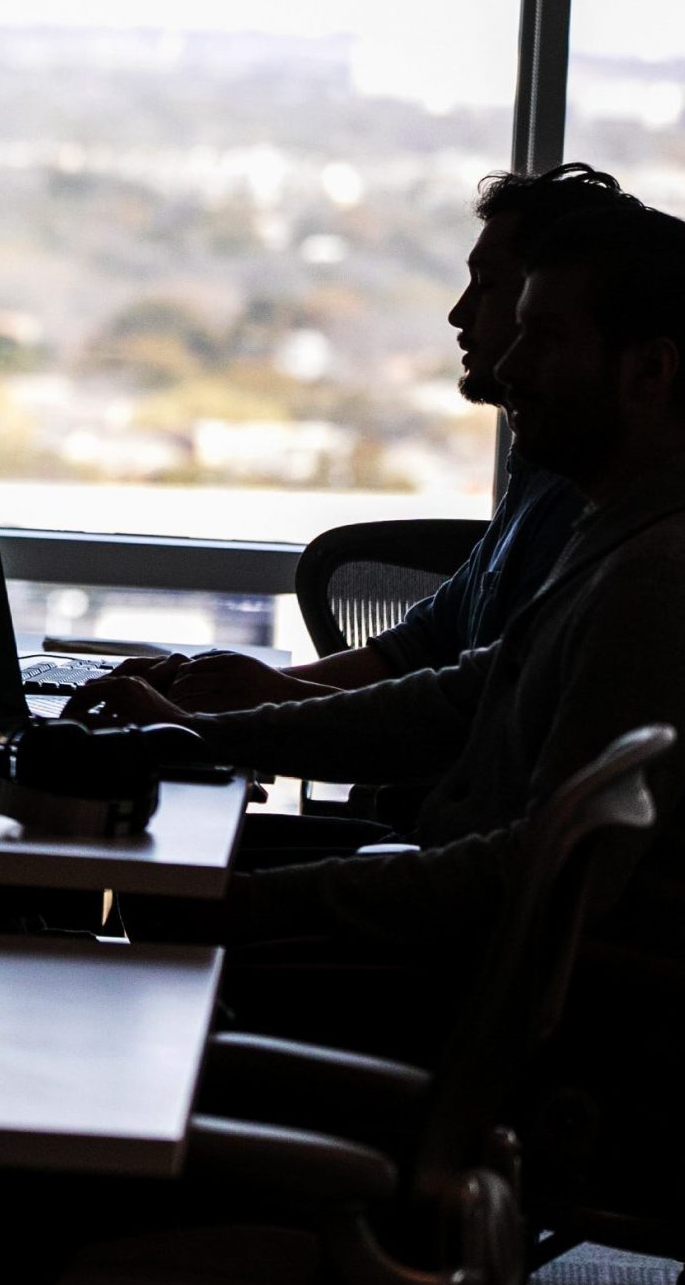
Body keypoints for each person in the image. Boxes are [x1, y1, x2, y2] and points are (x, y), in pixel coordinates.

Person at [78, 204, 685, 975]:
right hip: (459, 940)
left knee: (146, 929)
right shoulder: (611, 530)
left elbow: (531, 871)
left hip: (478, 996)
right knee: (158, 876)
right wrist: (203, 736)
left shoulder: (652, 581)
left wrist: (251, 904)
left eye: (547, 338)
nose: (510, 367)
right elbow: (455, 697)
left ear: (650, 372)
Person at [107, 163, 634, 711]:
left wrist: (245, 708)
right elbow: (420, 651)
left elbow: (467, 727)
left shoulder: (598, 515)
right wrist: (220, 692)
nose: (459, 313)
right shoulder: (542, 469)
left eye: (489, 285)